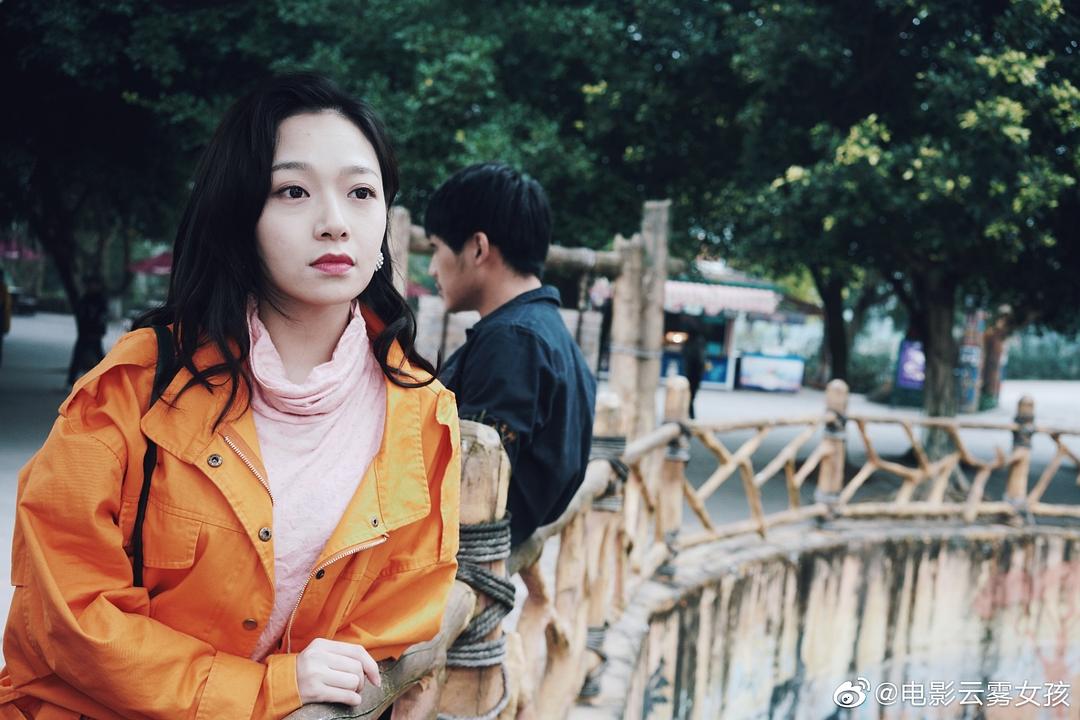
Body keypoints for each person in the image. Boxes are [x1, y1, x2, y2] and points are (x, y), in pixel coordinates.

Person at [0, 73, 461, 719]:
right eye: (293, 191)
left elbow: (399, 613)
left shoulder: (423, 414)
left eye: (361, 192)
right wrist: (268, 689)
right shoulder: (133, 387)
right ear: (239, 213)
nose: (335, 223)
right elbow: (70, 615)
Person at [425, 163, 596, 548]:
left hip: (460, 556)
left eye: (436, 248)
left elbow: (470, 477)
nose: (433, 268)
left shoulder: (512, 341)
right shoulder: (544, 331)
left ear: (478, 248)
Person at [66, 274, 109, 385]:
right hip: (84, 333)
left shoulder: (101, 301)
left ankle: (108, 378)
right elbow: (81, 315)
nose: (92, 287)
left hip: (95, 333)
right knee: (77, 356)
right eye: (91, 285)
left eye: (95, 285)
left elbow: (103, 318)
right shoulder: (85, 299)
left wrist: (101, 331)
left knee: (100, 357)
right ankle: (71, 380)